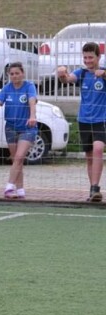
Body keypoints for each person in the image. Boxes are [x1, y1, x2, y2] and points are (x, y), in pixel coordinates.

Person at [0, 62, 37, 199]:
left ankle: (9, 186)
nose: (15, 76)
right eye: (12, 74)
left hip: (27, 127)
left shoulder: (29, 86)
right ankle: (20, 189)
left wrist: (33, 116)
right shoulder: (7, 89)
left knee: (19, 157)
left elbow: (32, 101)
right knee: (16, 160)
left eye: (17, 73)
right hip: (11, 127)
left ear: (23, 73)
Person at [56, 42, 106, 202]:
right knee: (90, 156)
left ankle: (96, 187)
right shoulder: (82, 73)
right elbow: (68, 79)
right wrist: (62, 73)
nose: (88, 60)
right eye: (85, 57)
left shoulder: (103, 73)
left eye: (91, 57)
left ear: (98, 57)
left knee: (98, 149)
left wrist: (103, 74)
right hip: (84, 120)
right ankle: (93, 190)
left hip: (101, 120)